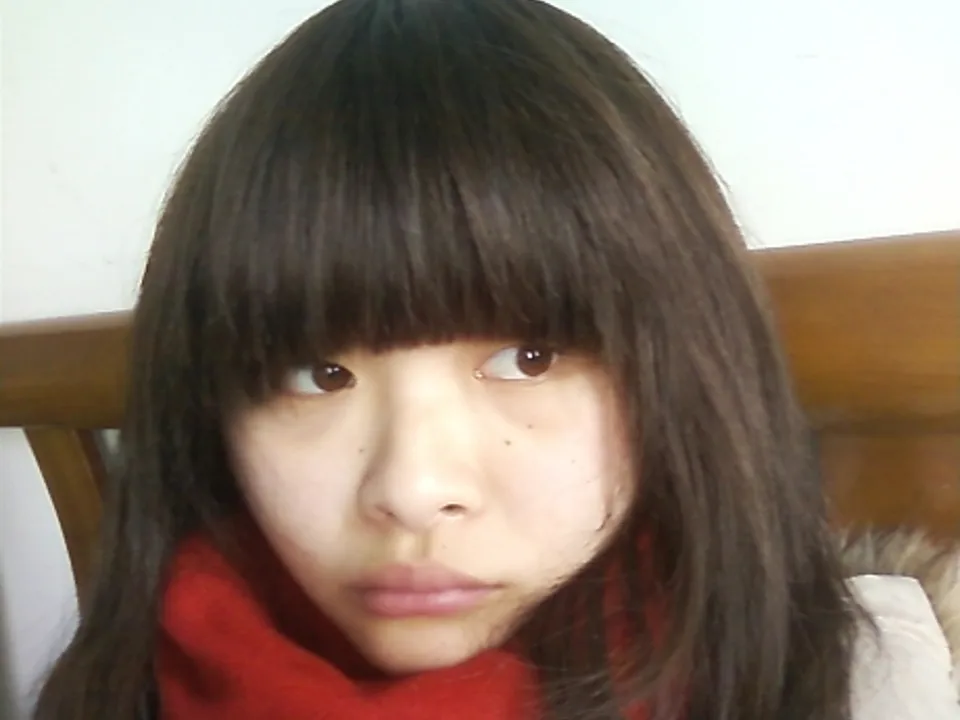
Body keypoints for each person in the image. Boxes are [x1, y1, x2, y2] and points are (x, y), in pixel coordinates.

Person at [33, 0, 899, 717]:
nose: (413, 489)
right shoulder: (121, 684)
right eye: (317, 375)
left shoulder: (885, 683)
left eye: (530, 358)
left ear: (681, 367)